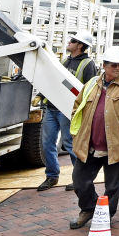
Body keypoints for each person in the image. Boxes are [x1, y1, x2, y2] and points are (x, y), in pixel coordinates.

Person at [68, 45, 119, 229]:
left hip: (117, 147)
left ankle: (105, 217)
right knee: (79, 181)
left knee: (112, 187)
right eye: (114, 65)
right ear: (104, 65)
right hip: (90, 146)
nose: (118, 68)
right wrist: (77, 135)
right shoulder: (91, 85)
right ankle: (89, 208)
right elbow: (77, 108)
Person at [37, 32, 96, 192]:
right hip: (52, 108)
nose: (69, 42)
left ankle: (80, 179)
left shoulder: (87, 64)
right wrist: (41, 95)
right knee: (47, 143)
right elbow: (55, 81)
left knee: (70, 144)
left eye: (73, 41)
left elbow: (91, 90)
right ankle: (52, 176)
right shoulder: (65, 61)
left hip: (68, 111)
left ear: (80, 45)